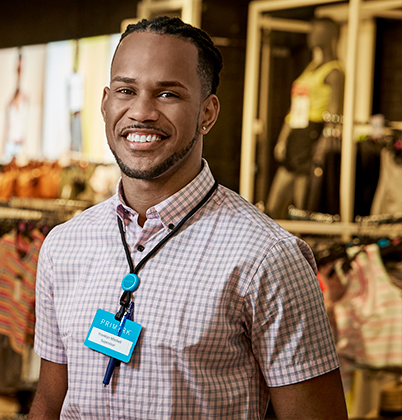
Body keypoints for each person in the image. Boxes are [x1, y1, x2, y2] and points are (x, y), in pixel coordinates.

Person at [29, 16, 348, 420]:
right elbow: (49, 402)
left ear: (207, 113)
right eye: (126, 90)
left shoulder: (268, 258)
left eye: (167, 95)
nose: (141, 112)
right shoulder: (63, 244)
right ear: (106, 101)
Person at [265, 18, 344, 219]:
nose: (311, 36)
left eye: (317, 31)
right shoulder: (311, 67)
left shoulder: (334, 71)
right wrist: (284, 137)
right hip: (297, 132)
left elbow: (333, 117)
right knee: (275, 202)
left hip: (312, 132)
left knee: (302, 203)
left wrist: (323, 145)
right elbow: (295, 107)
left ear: (330, 35)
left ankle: (303, 239)